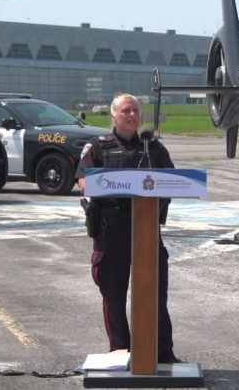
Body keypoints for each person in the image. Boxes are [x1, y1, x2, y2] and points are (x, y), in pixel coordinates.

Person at [76, 93, 180, 363]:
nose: (132, 115)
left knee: (156, 292)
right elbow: (84, 182)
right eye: (125, 111)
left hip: (146, 229)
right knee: (114, 292)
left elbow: (174, 180)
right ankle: (121, 352)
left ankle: (161, 353)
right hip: (112, 228)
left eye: (135, 111)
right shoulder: (98, 146)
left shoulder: (152, 147)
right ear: (114, 115)